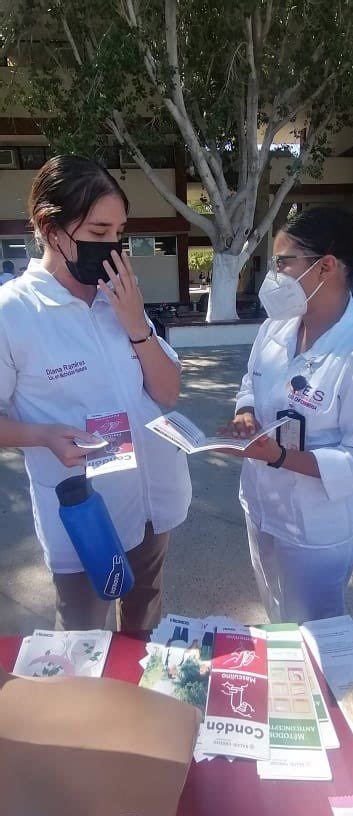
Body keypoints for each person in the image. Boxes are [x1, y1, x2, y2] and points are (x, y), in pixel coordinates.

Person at [0, 155, 191, 631]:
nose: (113, 247)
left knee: (143, 626)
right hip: (87, 519)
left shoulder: (119, 297)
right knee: (82, 645)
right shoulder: (13, 314)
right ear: (50, 227)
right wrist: (43, 435)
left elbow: (167, 393)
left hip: (152, 504)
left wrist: (135, 325)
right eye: (99, 232)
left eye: (119, 233)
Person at [218, 207, 353, 624]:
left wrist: (279, 457)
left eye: (282, 263)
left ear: (326, 267)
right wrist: (245, 413)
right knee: (277, 617)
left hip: (317, 529)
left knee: (314, 631)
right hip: (261, 507)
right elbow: (251, 381)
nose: (272, 275)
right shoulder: (275, 328)